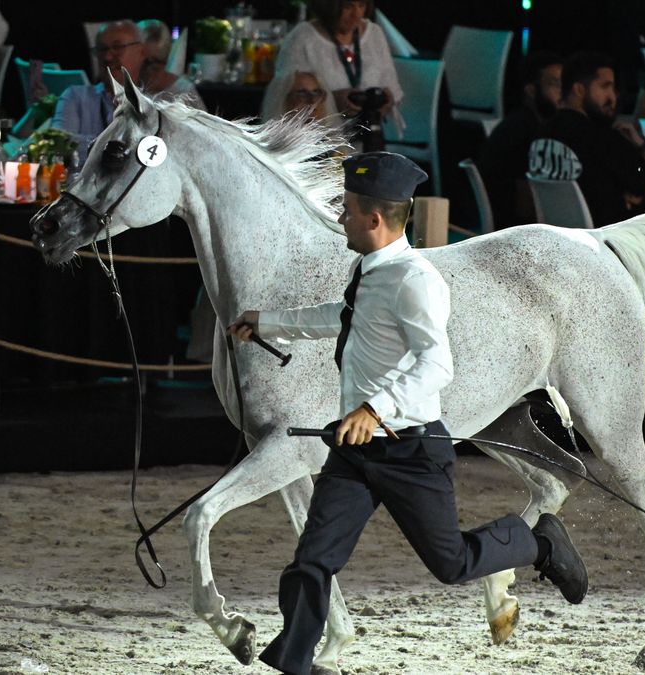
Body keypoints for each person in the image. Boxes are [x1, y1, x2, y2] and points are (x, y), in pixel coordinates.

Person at [228, 151, 588, 675]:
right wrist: (269, 322)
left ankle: (539, 544)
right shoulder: (367, 270)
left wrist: (375, 408)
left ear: (374, 220)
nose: (340, 219)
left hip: (411, 450)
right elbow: (343, 317)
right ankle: (295, 661)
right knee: (314, 559)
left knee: (453, 563)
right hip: (354, 452)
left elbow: (437, 364)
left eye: (347, 210)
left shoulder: (415, 281)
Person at [528, 51, 645, 227]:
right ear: (579, 90)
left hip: (557, 241)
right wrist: (638, 151)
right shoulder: (601, 138)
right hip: (607, 242)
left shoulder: (541, 134)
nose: (613, 97)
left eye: (613, 88)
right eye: (605, 87)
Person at [48, 20, 204, 166]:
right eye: (102, 49)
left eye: (117, 47)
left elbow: (191, 153)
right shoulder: (76, 96)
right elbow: (58, 144)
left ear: (141, 51)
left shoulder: (159, 105)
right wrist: (128, 149)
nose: (108, 56)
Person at [275, 0, 403, 133]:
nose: (356, 14)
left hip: (370, 138)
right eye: (348, 6)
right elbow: (282, 99)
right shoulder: (302, 38)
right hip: (320, 140)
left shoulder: (375, 33)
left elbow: (393, 89)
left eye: (361, 5)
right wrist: (332, 100)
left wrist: (387, 100)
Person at [476, 51, 563, 228]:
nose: (563, 92)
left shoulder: (525, 123)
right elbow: (526, 204)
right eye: (555, 84)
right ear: (531, 90)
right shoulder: (525, 131)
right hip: (514, 230)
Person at [260, 68, 340, 123]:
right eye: (302, 93)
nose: (312, 101)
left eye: (316, 92)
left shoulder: (337, 145)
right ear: (282, 100)